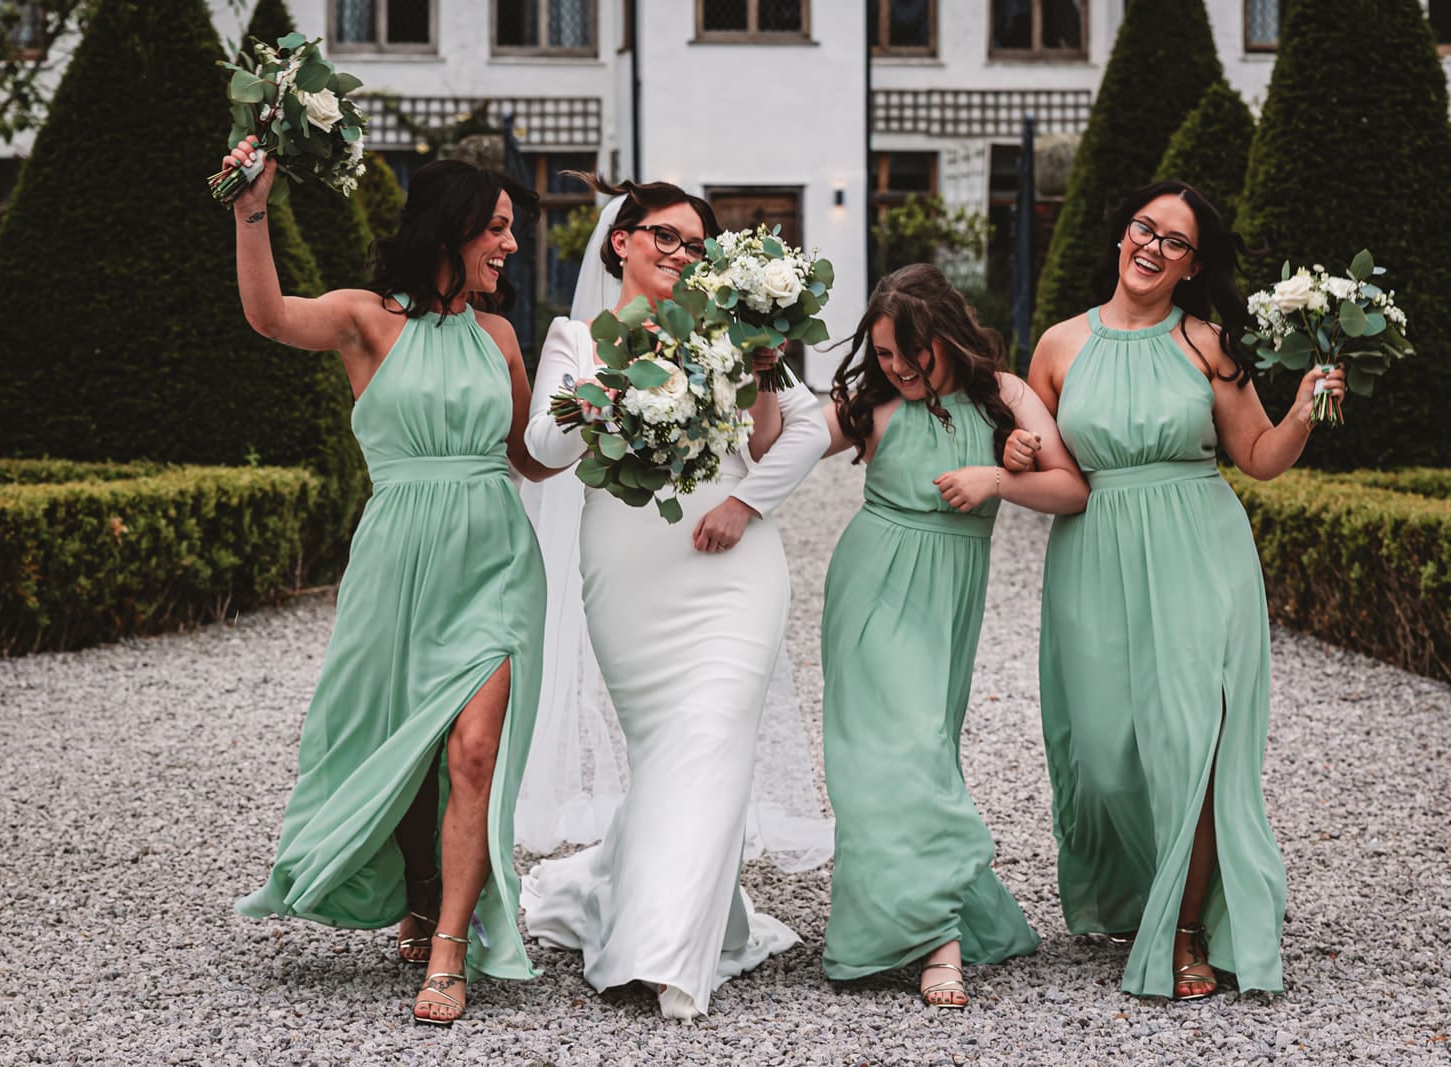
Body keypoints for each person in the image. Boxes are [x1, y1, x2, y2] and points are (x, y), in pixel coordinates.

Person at [225, 138, 552, 1025]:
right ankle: (413, 887)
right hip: (396, 557)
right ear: (451, 231)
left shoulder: (499, 336)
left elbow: (531, 457)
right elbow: (268, 315)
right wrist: (253, 209)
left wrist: (611, 428)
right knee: (395, 745)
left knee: (473, 748)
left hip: (494, 558)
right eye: (497, 229)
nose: (510, 247)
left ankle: (451, 942)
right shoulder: (367, 319)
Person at [1003, 180, 1346, 1000]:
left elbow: (1257, 455)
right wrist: (1014, 451)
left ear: (1192, 266)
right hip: (1093, 555)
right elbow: (1042, 455)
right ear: (1122, 236)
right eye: (1144, 229)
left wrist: (1301, 409)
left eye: (1176, 241)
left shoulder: (1207, 342)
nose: (1152, 247)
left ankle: (1186, 927)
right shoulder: (1058, 346)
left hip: (1198, 549)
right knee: (1108, 755)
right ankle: (1140, 889)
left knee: (1189, 741)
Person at [518, 175, 831, 1021]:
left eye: (695, 245)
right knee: (668, 748)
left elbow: (804, 429)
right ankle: (672, 904)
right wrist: (602, 392)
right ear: (621, 240)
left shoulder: (731, 333)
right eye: (664, 236)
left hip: (734, 566)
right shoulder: (576, 338)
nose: (680, 254)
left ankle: (658, 951)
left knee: (716, 729)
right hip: (627, 564)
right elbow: (542, 448)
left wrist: (747, 499)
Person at [805, 264, 1088, 1008]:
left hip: (947, 595)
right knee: (887, 754)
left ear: (949, 338)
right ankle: (937, 939)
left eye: (912, 353)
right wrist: (767, 366)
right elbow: (785, 444)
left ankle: (917, 911)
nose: (896, 368)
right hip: (871, 586)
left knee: (925, 750)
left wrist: (999, 481)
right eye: (886, 353)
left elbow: (1071, 488)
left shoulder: (1005, 397)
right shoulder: (869, 402)